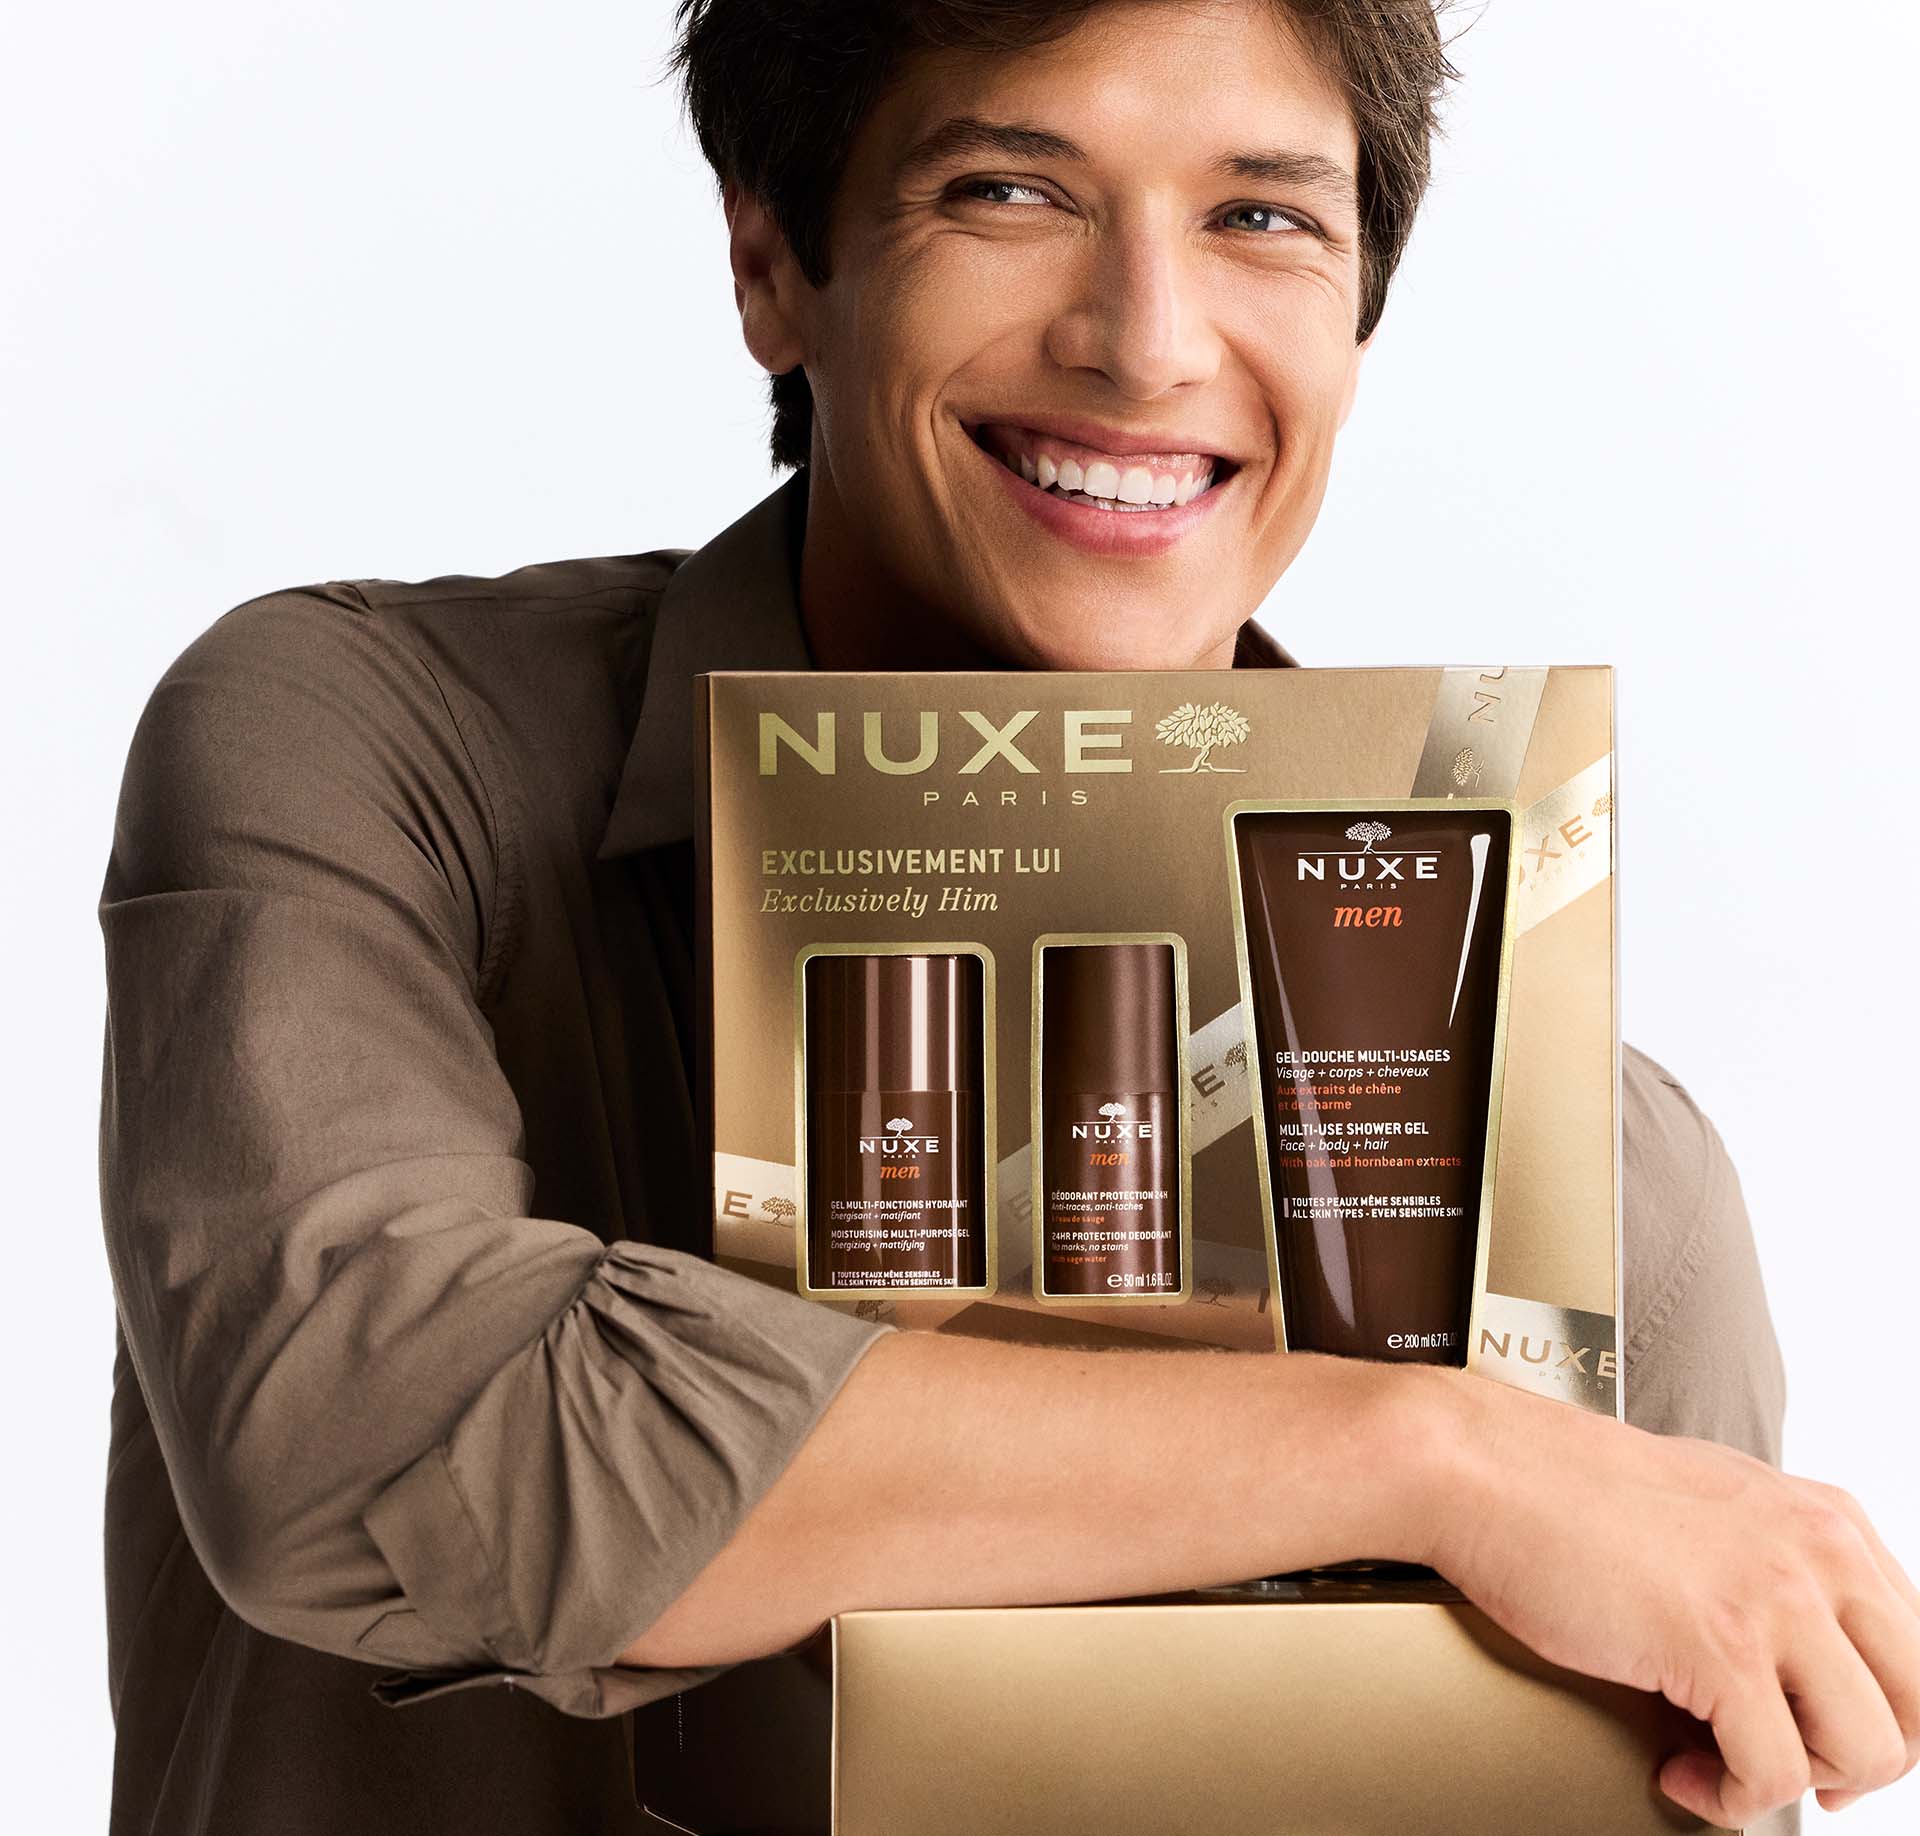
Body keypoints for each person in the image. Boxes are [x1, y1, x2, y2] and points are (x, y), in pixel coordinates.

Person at [96, 2, 1917, 1833]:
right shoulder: (379, 753)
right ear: (772, 262)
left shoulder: (1617, 1190)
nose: (1147, 342)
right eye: (1008, 191)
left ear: (1361, 316)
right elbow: (363, 1440)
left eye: (1262, 217)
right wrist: (1425, 1456)